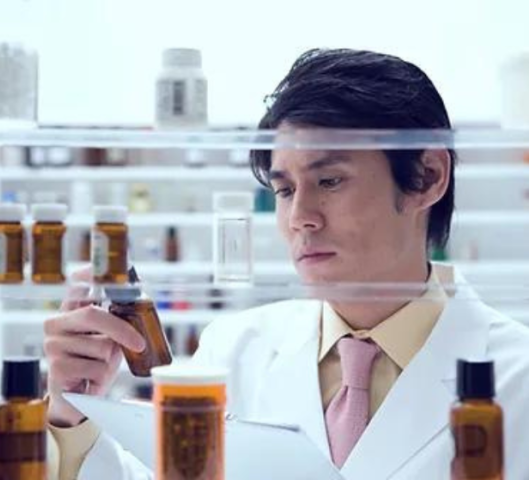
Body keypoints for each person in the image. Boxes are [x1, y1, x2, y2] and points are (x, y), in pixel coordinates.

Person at [43, 49, 529, 480]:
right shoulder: (232, 351)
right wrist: (73, 413)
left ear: (427, 177)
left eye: (329, 181)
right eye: (284, 190)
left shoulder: (518, 377)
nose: (300, 218)